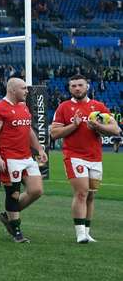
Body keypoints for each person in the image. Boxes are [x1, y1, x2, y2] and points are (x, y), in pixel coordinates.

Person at [49, 74, 121, 243]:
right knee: (82, 192)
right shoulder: (64, 108)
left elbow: (116, 129)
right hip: (74, 156)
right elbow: (54, 133)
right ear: (69, 88)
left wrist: (98, 126)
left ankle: (87, 232)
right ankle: (80, 232)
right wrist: (73, 126)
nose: (77, 88)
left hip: (95, 157)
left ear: (87, 86)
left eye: (80, 85)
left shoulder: (98, 107)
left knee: (91, 196)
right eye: (73, 86)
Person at [0, 78, 47, 243]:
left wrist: (39, 149)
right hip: (9, 158)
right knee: (13, 194)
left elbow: (29, 131)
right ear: (12, 90)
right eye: (23, 88)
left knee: (37, 190)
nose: (27, 91)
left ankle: (8, 215)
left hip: (26, 156)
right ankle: (16, 230)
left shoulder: (23, 107)